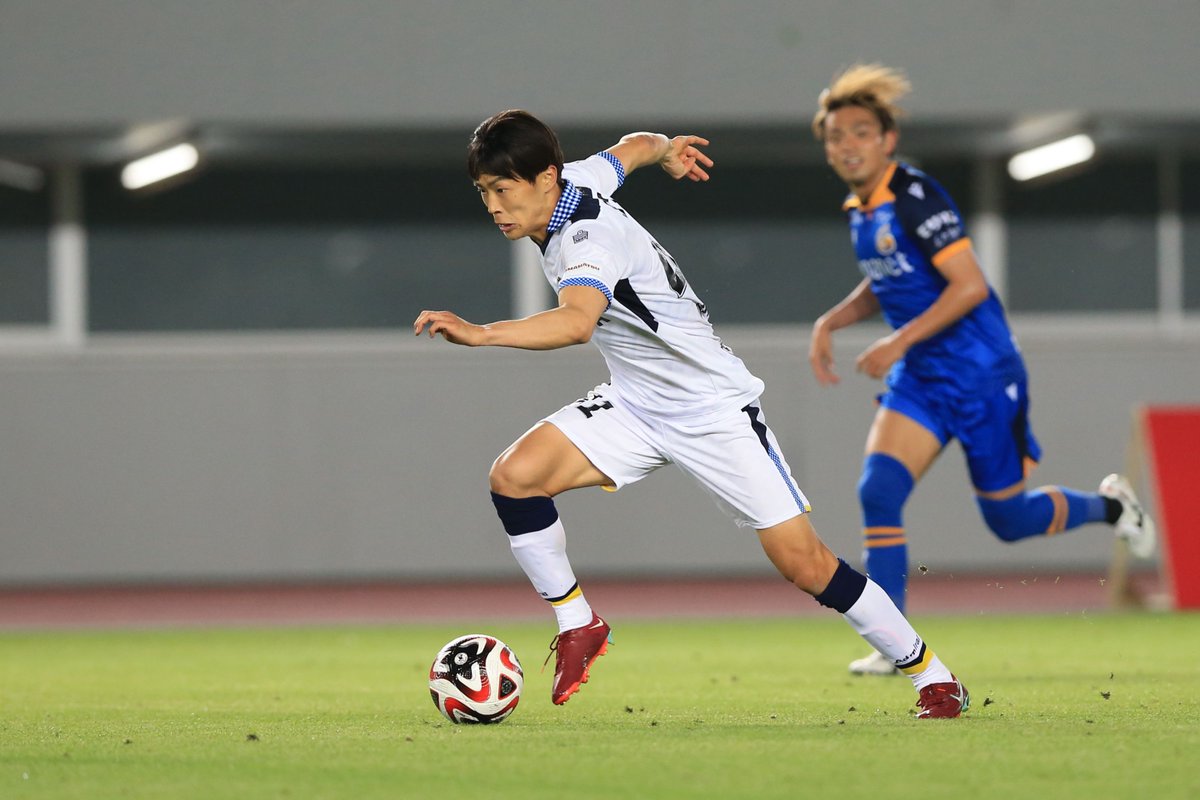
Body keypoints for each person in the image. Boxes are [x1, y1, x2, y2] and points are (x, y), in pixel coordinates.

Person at [414, 108, 969, 718]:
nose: (493, 205)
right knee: (513, 477)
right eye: (484, 192)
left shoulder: (586, 236)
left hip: (712, 409)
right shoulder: (579, 178)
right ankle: (579, 624)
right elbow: (634, 146)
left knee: (805, 564)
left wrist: (481, 333)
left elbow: (576, 323)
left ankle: (934, 676)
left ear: (546, 178)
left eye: (502, 189)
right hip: (634, 402)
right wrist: (668, 150)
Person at [808, 64, 1157, 676]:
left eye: (860, 132)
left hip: (981, 373)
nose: (847, 146)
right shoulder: (860, 209)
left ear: (887, 139)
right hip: (922, 377)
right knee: (879, 492)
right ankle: (895, 644)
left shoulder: (915, 195)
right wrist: (832, 320)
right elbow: (890, 278)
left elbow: (967, 286)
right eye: (836, 137)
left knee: (1007, 520)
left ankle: (1110, 507)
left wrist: (896, 341)